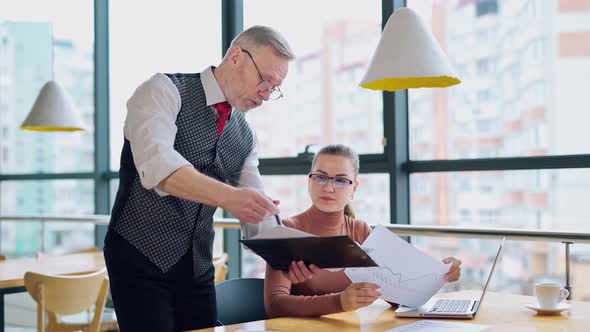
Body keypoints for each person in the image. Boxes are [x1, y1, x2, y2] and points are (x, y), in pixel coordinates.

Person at [104, 26, 295, 331]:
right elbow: (159, 168)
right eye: (264, 80)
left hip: (197, 267)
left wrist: (290, 257)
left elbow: (256, 208)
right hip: (138, 257)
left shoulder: (245, 135)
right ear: (236, 57)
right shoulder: (163, 90)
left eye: (274, 88)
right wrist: (231, 198)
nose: (266, 94)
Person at [264, 144, 462, 318]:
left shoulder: (360, 230)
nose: (329, 187)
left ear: (354, 187)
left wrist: (436, 275)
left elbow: (393, 295)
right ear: (309, 181)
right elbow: (275, 304)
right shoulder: (288, 231)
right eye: (321, 177)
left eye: (341, 180)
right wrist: (339, 302)